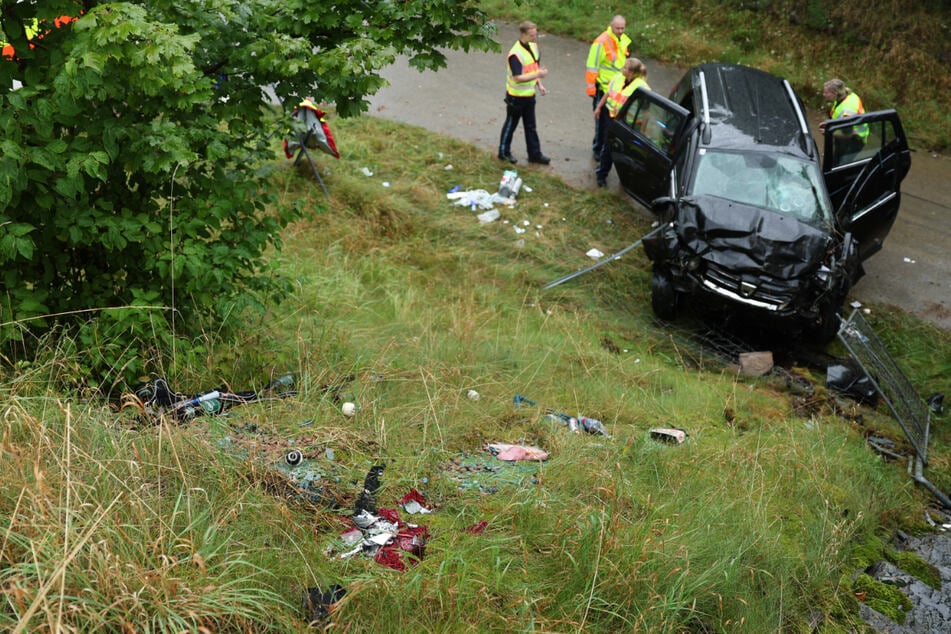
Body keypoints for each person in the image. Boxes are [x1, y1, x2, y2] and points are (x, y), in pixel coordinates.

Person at [497, 21, 551, 165]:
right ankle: (503, 152)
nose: (535, 37)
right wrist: (538, 75)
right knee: (511, 125)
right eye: (532, 35)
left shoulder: (534, 46)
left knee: (531, 126)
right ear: (523, 34)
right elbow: (518, 77)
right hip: (516, 97)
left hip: (529, 95)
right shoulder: (515, 54)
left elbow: (533, 67)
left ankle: (535, 155)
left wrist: (539, 83)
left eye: (535, 34)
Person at [594, 58, 649, 187]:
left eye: (624, 68)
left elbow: (646, 111)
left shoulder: (642, 88)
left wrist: (643, 130)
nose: (622, 69)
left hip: (628, 124)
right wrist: (599, 107)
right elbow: (608, 93)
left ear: (632, 73)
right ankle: (601, 175)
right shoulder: (617, 78)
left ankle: (625, 178)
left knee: (626, 151)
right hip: (611, 118)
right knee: (607, 148)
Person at [585, 16, 632, 159]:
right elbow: (592, 66)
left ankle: (605, 148)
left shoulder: (623, 39)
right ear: (611, 26)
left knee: (611, 123)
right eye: (618, 28)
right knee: (602, 123)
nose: (620, 31)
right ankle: (598, 149)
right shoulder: (601, 42)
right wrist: (591, 89)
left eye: (623, 28)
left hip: (617, 88)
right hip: (603, 88)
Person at [820, 78, 868, 162]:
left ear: (835, 93)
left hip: (855, 140)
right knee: (835, 159)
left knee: (840, 166)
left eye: (826, 92)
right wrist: (830, 124)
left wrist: (829, 132)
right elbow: (838, 115)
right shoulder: (845, 95)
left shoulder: (847, 110)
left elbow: (847, 135)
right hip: (847, 133)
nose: (823, 94)